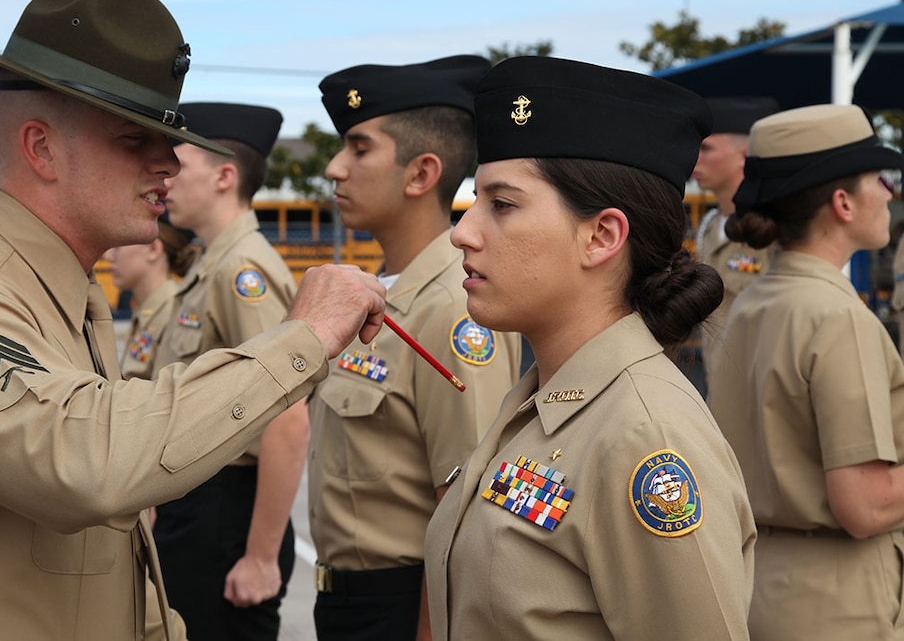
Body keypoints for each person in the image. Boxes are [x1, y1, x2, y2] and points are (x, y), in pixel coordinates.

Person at [0, 0, 386, 641]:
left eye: (167, 140)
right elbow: (88, 462)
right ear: (40, 148)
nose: (169, 165)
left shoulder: (61, 298)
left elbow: (103, 563)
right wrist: (304, 335)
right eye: (133, 141)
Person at [424, 56, 756, 640]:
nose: (463, 231)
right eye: (477, 201)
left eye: (501, 205)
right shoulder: (542, 398)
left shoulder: (646, 436)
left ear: (601, 236)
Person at [309, 55, 522, 640]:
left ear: (421, 173)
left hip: (406, 609)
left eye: (358, 148)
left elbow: (465, 511)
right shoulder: (382, 291)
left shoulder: (454, 308)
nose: (335, 168)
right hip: (349, 601)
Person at [707, 103, 904, 640]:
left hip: (756, 582)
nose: (889, 192)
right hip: (839, 601)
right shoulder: (837, 317)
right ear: (843, 202)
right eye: (879, 180)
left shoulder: (754, 302)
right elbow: (864, 504)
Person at [148, 102, 306, 641]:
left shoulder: (243, 271)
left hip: (227, 515)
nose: (164, 178)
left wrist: (261, 556)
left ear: (224, 176)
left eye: (177, 167)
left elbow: (286, 416)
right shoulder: (212, 265)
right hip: (199, 509)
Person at [692, 96, 778, 375]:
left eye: (706, 148)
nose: (696, 158)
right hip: (720, 392)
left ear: (744, 155)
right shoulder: (709, 226)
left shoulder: (775, 228)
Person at [104, 216, 198, 380]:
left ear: (154, 249)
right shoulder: (149, 310)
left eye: (118, 247)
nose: (108, 256)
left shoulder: (174, 312)